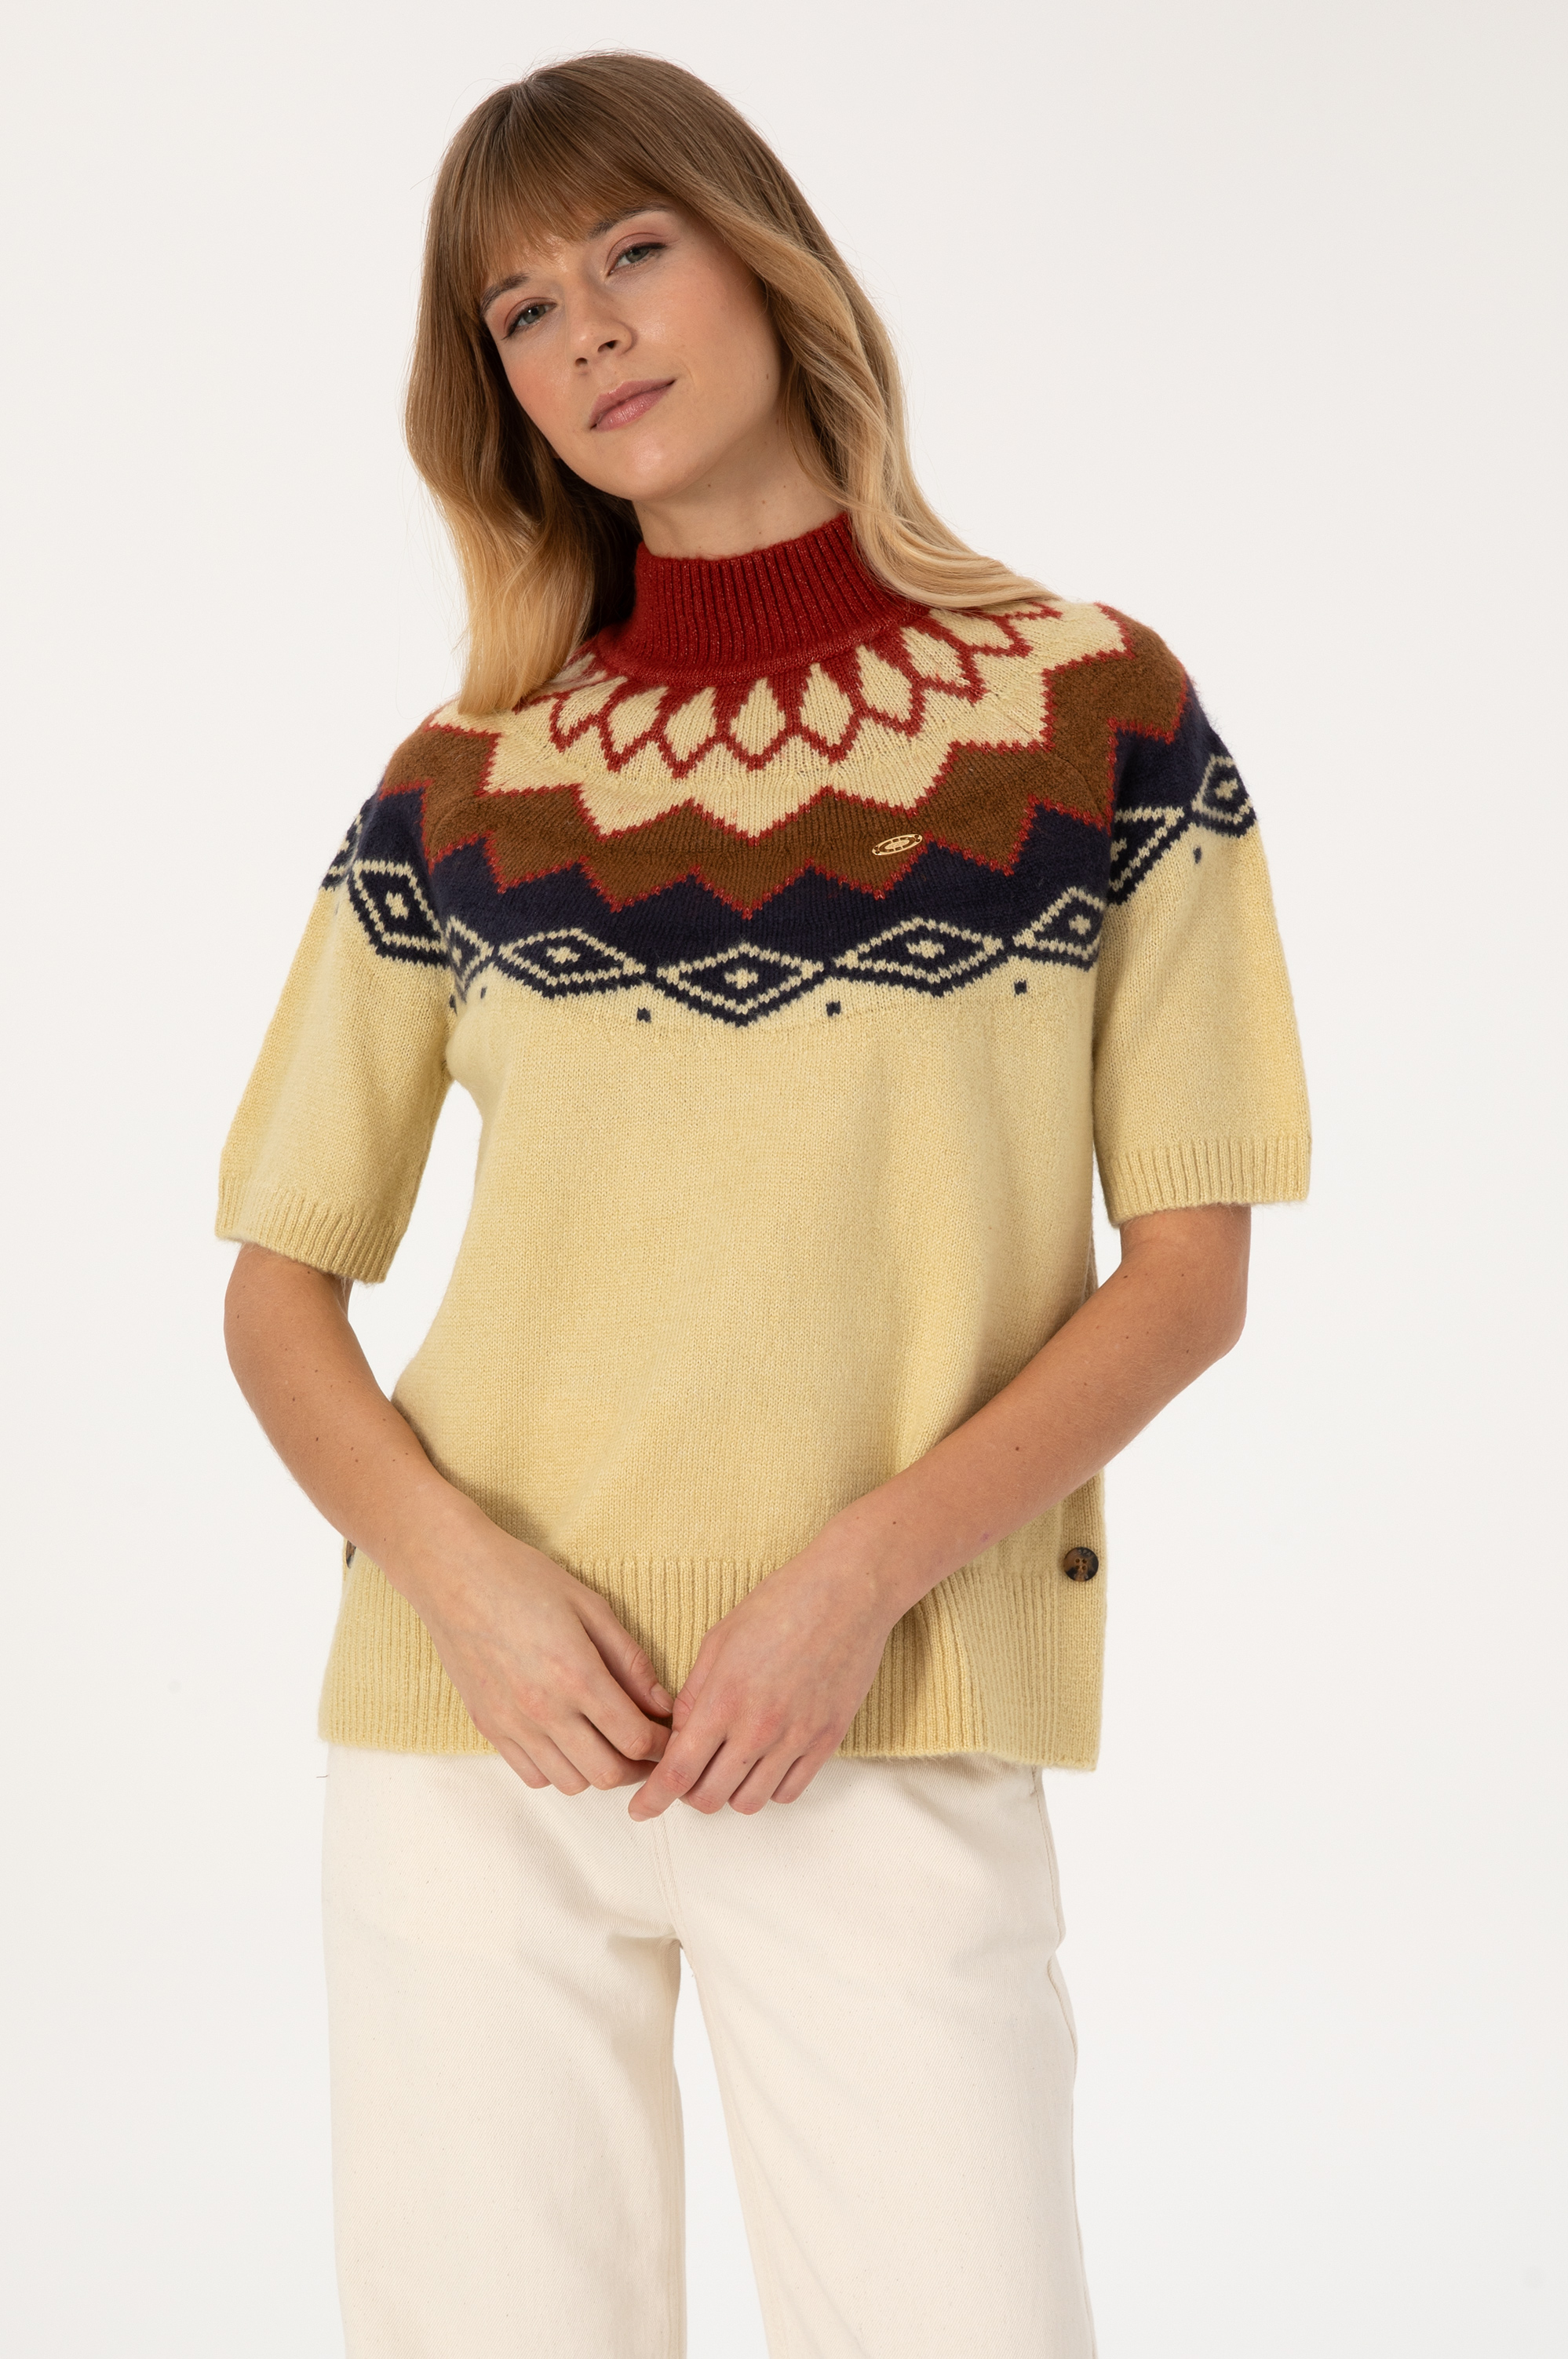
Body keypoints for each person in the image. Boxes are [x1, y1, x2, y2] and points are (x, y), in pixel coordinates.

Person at [217, 51, 1311, 2359]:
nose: (591, 331)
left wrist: (851, 1585)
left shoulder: (1093, 718)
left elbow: (1190, 1273)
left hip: (874, 1701)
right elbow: (278, 1290)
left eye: (633, 250)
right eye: (522, 309)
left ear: (766, 260)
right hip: (476, 1729)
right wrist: (468, 1594)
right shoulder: (466, 785)